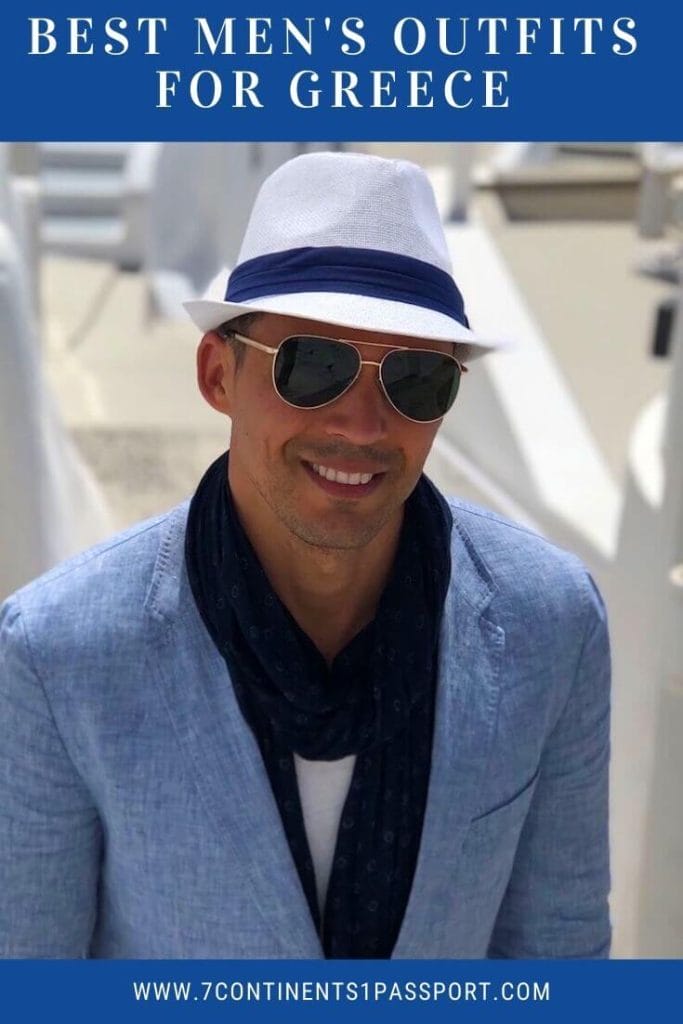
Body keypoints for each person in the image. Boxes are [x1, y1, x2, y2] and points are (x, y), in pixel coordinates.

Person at [0, 151, 611, 959]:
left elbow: (559, 955)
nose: (362, 426)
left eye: (416, 379)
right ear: (219, 373)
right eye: (314, 366)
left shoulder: (551, 625)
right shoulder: (59, 652)